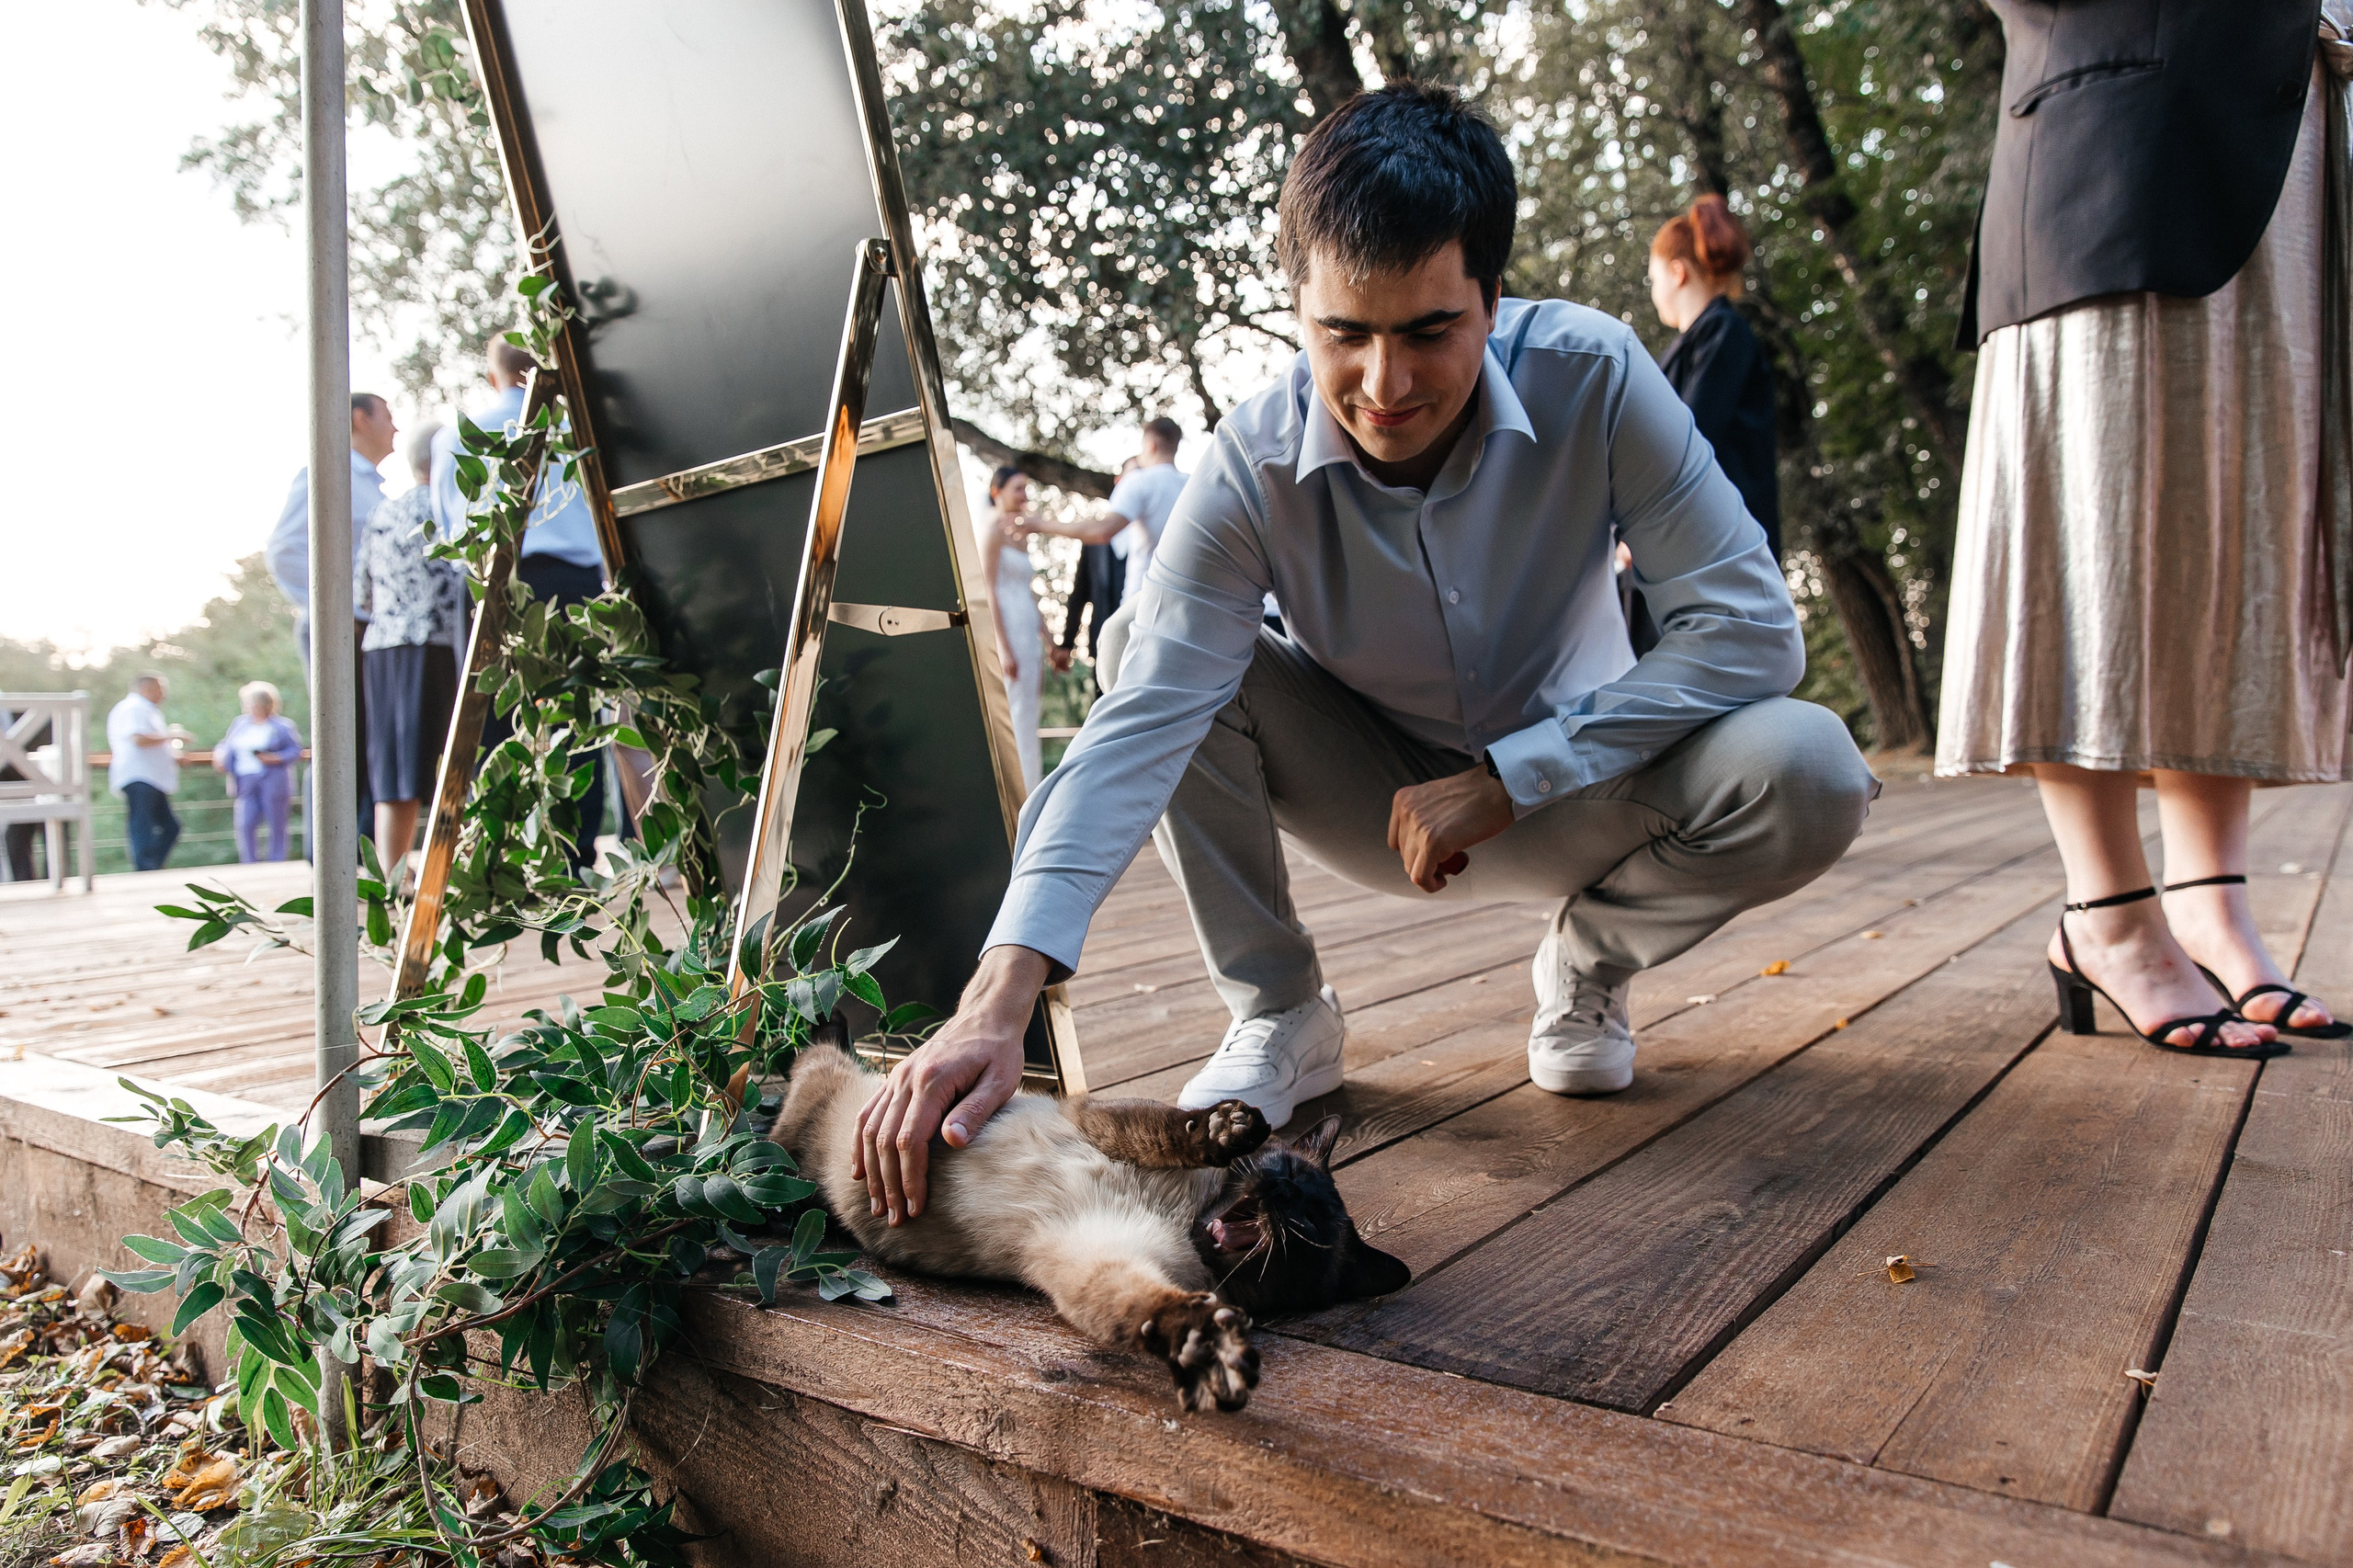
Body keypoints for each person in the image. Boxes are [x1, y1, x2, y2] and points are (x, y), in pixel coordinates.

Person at [850, 84, 1876, 1225]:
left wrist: (1513, 774)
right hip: (1372, 801)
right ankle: (1281, 1009)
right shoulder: (1245, 469)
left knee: (1813, 765)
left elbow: (1750, 628)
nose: (1384, 386)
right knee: (1149, 639)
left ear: (1491, 299)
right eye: (1344, 333)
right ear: (1297, 309)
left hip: (1592, 792)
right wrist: (998, 998)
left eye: (1429, 330)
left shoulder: (1597, 373)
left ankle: (1586, 966)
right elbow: (1139, 721)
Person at [1937, 3, 2350, 1058]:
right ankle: (2108, 913)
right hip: (2113, 127)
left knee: (2237, 529)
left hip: (2294, 137)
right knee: (2096, 524)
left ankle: (2212, 900)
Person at [434, 335, 608, 871]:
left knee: (494, 719)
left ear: (494, 376)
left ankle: (499, 852)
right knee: (576, 718)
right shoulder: (577, 431)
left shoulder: (463, 434)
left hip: (500, 581)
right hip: (577, 583)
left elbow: (451, 525)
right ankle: (574, 856)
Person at [265, 391, 397, 839]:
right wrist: (334, 607)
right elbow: (284, 550)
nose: (395, 427)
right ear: (360, 419)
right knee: (338, 736)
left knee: (367, 737)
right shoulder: (325, 474)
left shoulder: (373, 486)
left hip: (372, 629)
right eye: (389, 416)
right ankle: (324, 854)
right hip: (337, 627)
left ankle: (356, 850)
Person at [358, 426, 471, 878]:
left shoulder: (384, 511)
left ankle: (392, 873)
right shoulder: (450, 510)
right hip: (440, 645)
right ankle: (451, 870)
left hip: (383, 649)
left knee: (394, 763)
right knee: (453, 759)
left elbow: (362, 591)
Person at [1649, 195, 1779, 561]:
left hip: (1726, 554)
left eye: (1653, 277)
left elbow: (1688, 439)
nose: (1654, 290)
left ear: (1677, 273)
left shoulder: (1723, 333)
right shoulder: (1702, 341)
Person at [1020, 418, 1189, 606]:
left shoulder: (1140, 481)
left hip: (1143, 603)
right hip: (1186, 602)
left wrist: (1042, 524)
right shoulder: (1193, 486)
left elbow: (1102, 531)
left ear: (1150, 446)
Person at [978, 466, 1047, 792]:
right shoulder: (991, 531)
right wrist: (1002, 648)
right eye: (1018, 488)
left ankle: (1030, 793)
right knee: (1014, 714)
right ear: (998, 491)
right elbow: (988, 589)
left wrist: (1048, 639)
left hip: (1027, 629)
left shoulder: (1021, 532)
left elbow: (1030, 590)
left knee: (1029, 716)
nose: (1024, 496)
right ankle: (1014, 795)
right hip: (1007, 630)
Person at [108, 674, 192, 872]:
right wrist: (172, 735)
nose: (164, 694)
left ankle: (151, 865)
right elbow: (138, 739)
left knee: (170, 826)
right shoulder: (133, 708)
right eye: (160, 689)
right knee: (142, 824)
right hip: (139, 776)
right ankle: (145, 867)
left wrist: (172, 756)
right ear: (146, 688)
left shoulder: (147, 710)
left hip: (153, 778)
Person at [215, 682, 302, 863]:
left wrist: (274, 758)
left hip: (272, 779)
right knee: (245, 822)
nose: (250, 708)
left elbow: (295, 751)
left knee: (276, 822)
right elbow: (226, 744)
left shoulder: (282, 726)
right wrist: (220, 756)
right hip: (245, 779)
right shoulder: (240, 724)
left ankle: (276, 860)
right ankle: (249, 861)